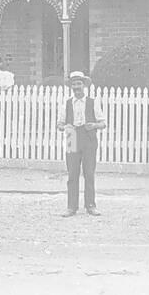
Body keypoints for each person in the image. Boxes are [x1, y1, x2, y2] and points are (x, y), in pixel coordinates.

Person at [57, 71, 106, 216]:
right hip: (72, 136)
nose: (76, 87)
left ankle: (90, 205)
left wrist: (94, 126)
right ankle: (71, 207)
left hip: (88, 136)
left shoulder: (92, 102)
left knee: (89, 173)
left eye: (79, 83)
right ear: (71, 86)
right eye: (74, 84)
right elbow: (59, 124)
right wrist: (64, 127)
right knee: (72, 173)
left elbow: (103, 123)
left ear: (84, 85)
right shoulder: (67, 104)